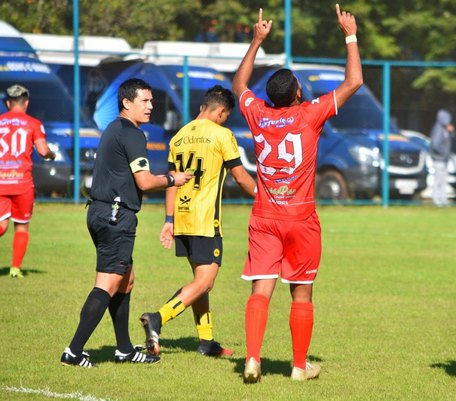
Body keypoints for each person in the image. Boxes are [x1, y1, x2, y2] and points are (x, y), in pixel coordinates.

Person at [232, 4, 362, 383]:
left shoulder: (257, 113)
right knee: (301, 295)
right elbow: (353, 82)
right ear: (298, 93)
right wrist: (349, 34)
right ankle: (298, 367)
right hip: (301, 218)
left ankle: (253, 359)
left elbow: (239, 86)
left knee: (262, 290)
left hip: (265, 216)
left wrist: (256, 41)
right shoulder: (309, 114)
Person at [60, 78, 192, 368]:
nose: (151, 106)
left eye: (151, 100)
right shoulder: (132, 134)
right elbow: (144, 181)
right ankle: (73, 351)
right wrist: (173, 179)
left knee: (126, 280)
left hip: (101, 211)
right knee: (107, 283)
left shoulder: (114, 128)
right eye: (144, 101)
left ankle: (123, 349)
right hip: (115, 216)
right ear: (127, 103)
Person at [140, 85, 256, 358]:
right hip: (205, 220)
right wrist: (262, 195)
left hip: (182, 216)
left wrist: (168, 219)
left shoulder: (178, 137)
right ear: (221, 111)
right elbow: (240, 176)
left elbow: (171, 182)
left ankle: (206, 342)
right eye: (225, 116)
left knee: (201, 281)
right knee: (204, 281)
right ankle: (158, 318)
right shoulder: (222, 135)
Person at [0, 84, 56, 279]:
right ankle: (15, 269)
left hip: (1, 181)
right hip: (22, 182)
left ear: (8, 103)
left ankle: (14, 268)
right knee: (21, 226)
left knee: (2, 226)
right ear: (26, 103)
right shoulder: (33, 123)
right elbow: (42, 151)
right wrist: (51, 154)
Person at [429, 109, 455, 207]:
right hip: (438, 158)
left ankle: (442, 198)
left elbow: (451, 136)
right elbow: (435, 144)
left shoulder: (444, 128)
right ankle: (436, 198)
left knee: (443, 179)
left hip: (444, 159)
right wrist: (444, 153)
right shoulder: (438, 128)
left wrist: (451, 131)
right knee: (438, 179)